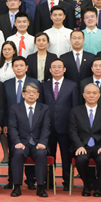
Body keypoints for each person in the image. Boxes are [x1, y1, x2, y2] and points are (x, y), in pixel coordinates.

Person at [68, 84, 101, 197]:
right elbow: (72, 131)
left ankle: (99, 187)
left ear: (99, 95)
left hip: (99, 146)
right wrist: (79, 146)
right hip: (83, 145)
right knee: (81, 159)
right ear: (84, 95)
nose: (91, 95)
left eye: (94, 93)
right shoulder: (75, 111)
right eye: (88, 93)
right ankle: (87, 185)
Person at [42, 59, 80, 191]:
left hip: (66, 127)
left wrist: (74, 126)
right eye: (54, 67)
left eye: (59, 67)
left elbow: (75, 108)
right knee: (48, 155)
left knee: (66, 156)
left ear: (64, 69)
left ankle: (67, 182)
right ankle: (48, 181)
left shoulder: (72, 85)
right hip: (48, 127)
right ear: (50, 70)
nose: (56, 69)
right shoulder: (44, 86)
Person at [7, 84, 50, 197]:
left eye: (34, 92)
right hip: (21, 143)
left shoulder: (44, 108)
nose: (31, 94)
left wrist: (42, 142)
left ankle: (40, 187)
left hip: (38, 143)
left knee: (41, 154)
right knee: (17, 154)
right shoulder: (15, 108)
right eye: (29, 92)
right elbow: (12, 127)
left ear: (38, 95)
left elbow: (46, 128)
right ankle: (17, 187)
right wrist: (17, 142)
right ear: (23, 94)